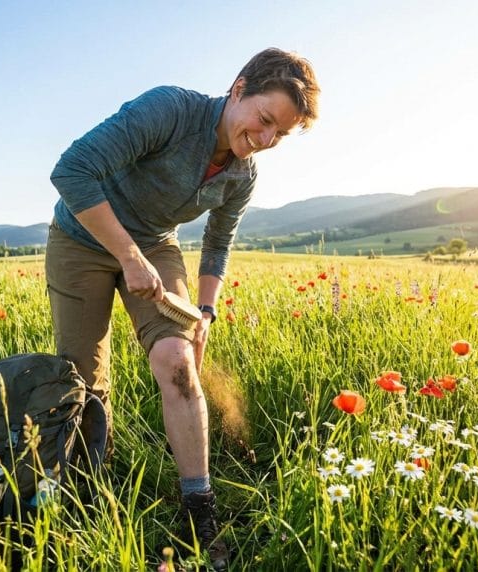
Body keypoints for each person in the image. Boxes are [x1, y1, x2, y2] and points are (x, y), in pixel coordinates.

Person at [45, 47, 319, 569]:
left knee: (178, 362)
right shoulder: (170, 110)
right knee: (83, 379)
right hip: (82, 237)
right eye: (263, 121)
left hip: (153, 244)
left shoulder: (243, 175)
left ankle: (199, 507)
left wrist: (206, 312)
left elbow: (218, 242)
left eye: (278, 136)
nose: (262, 141)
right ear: (238, 88)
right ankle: (82, 494)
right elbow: (72, 170)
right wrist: (127, 256)